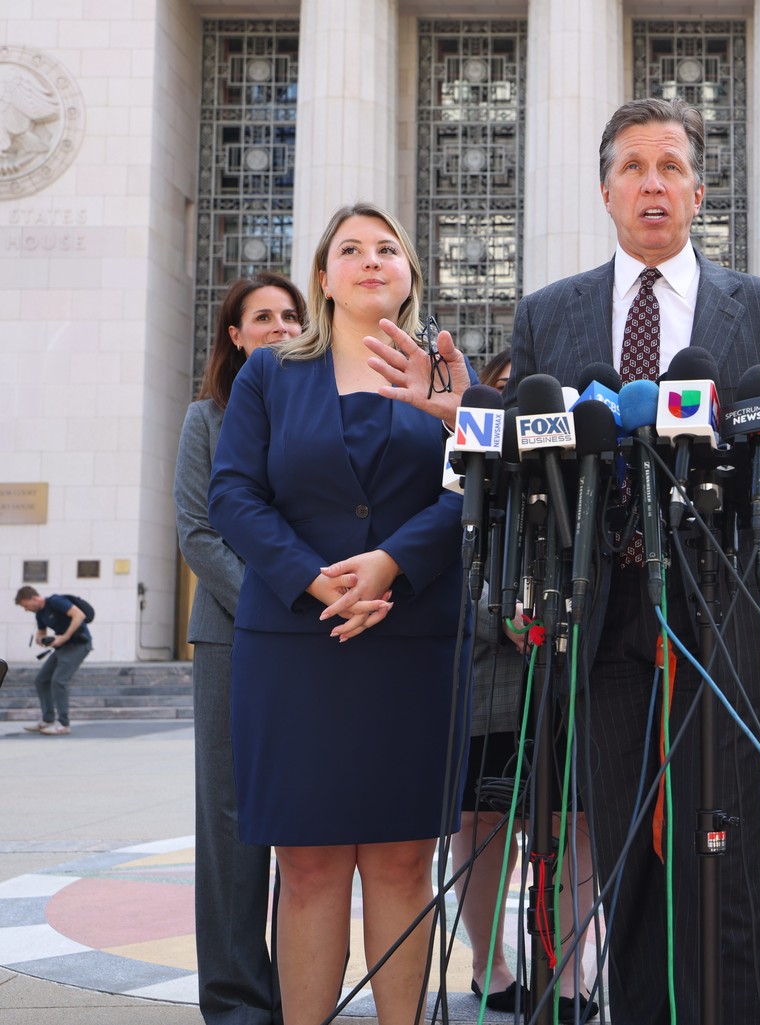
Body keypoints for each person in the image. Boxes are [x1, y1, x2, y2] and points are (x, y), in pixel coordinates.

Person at [364, 98, 760, 1025]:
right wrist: (462, 415)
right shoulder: (549, 313)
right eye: (632, 167)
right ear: (606, 188)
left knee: (731, 876)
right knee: (629, 877)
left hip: (734, 631)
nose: (652, 184)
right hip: (601, 630)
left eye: (669, 167)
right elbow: (525, 454)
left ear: (699, 189)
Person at [208, 202, 472, 1025]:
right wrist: (314, 579)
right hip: (297, 640)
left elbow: (479, 488)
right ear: (323, 278)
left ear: (409, 274)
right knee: (310, 862)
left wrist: (393, 560)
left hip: (414, 638)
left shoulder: (445, 374)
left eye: (386, 248)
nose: (369, 260)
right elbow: (232, 494)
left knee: (402, 860)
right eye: (349, 249)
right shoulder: (270, 373)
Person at [175, 272, 305, 1025]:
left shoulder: (322, 412)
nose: (281, 327)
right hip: (233, 637)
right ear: (235, 334)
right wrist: (272, 602)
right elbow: (198, 531)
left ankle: (296, 988)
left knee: (300, 820)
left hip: (307, 639)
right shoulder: (207, 417)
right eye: (263, 317)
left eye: (292, 315)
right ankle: (233, 1000)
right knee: (227, 823)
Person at [451, 349, 597, 1023]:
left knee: (575, 821)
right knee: (484, 824)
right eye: (505, 394)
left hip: (571, 680)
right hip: (490, 684)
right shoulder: (467, 467)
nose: (518, 410)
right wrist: (498, 616)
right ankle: (490, 964)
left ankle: (567, 974)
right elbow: (444, 557)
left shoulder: (582, 468)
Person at [14, 586, 92, 736]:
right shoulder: (39, 614)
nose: (26, 609)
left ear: (34, 599)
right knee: (42, 680)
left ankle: (63, 724)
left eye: (26, 605)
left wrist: (65, 636)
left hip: (79, 644)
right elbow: (41, 632)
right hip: (63, 646)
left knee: (59, 681)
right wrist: (40, 640)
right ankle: (47, 720)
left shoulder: (56, 601)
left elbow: (79, 615)